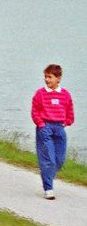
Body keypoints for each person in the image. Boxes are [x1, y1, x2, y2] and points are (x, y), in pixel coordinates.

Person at [31, 63, 75, 199]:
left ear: (58, 78)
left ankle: (47, 173)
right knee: (48, 159)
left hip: (59, 128)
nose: (47, 80)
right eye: (46, 77)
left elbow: (69, 109)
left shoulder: (65, 94)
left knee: (59, 160)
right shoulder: (40, 94)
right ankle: (48, 188)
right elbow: (35, 111)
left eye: (50, 77)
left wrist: (67, 121)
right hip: (45, 127)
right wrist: (41, 124)